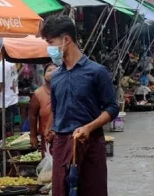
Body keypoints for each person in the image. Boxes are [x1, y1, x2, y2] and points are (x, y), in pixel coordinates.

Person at [42, 16, 119, 196]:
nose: (49, 48)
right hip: (62, 144)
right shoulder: (57, 76)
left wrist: (89, 127)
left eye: (51, 42)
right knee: (62, 191)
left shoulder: (97, 72)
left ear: (66, 40)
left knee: (92, 190)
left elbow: (112, 108)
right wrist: (51, 129)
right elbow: (56, 108)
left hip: (90, 143)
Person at [29, 63, 57, 154]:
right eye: (49, 70)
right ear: (44, 75)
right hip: (46, 137)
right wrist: (33, 136)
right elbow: (33, 116)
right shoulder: (38, 93)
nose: (52, 72)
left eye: (55, 70)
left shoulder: (65, 90)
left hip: (63, 136)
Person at [0, 59, 19, 140]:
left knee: (6, 129)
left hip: (5, 102)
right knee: (12, 127)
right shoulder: (12, 62)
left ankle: (7, 148)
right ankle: (12, 148)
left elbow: (0, 84)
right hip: (13, 99)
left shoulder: (1, 66)